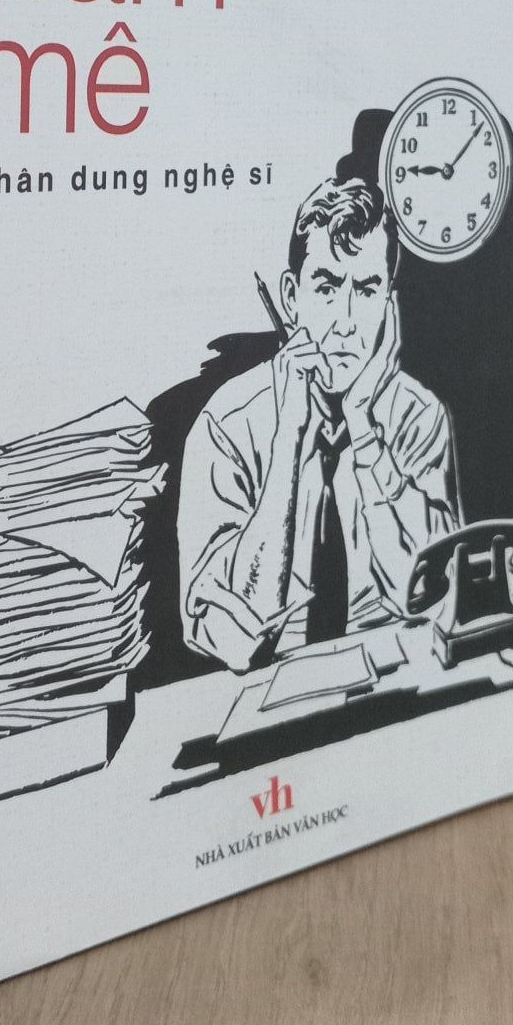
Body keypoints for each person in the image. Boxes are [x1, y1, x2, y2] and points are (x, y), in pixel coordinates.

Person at [178, 174, 461, 671]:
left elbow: (434, 600)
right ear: (291, 297)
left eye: (367, 290)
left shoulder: (419, 416)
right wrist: (289, 439)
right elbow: (234, 641)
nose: (346, 321)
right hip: (260, 700)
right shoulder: (226, 426)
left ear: (389, 305)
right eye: (327, 288)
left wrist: (366, 435)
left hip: (394, 687)